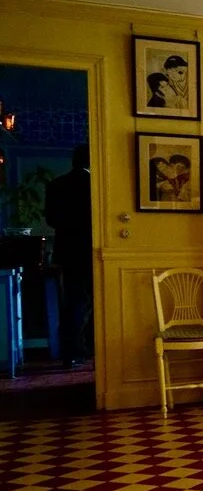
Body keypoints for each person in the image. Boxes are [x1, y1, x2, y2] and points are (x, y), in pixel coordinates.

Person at [44, 144, 93, 368]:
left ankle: (70, 353)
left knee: (72, 301)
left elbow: (51, 220)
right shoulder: (95, 185)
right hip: (91, 250)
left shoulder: (56, 184)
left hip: (67, 251)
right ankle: (91, 348)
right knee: (96, 302)